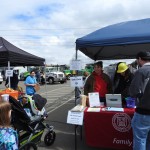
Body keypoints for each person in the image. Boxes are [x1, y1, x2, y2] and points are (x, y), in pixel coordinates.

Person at [129, 51, 150, 150]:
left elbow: (133, 91)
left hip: (144, 112)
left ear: (140, 59)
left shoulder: (141, 71)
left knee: (140, 139)